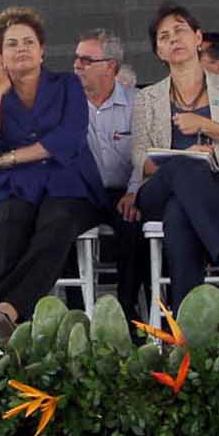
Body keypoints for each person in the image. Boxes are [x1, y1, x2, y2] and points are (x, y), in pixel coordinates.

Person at [125, 3, 219, 308]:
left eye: (180, 31)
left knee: (180, 214)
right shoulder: (147, 98)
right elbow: (141, 160)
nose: (173, 40)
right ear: (159, 52)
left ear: (198, 38)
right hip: (160, 187)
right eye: (164, 37)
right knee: (183, 168)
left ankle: (186, 333)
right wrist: (183, 157)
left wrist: (206, 125)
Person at [0, 7, 107, 325]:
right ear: (1, 56)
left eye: (28, 42)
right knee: (7, 224)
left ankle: (4, 314)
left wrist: (13, 157)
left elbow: (68, 138)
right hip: (14, 188)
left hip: (69, 184)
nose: (21, 49)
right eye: (12, 44)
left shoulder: (67, 86)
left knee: (57, 223)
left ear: (42, 50)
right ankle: (2, 327)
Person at [72, 28, 145, 312]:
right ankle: (77, 314)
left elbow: (146, 154)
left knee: (133, 223)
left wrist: (134, 191)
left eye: (86, 60)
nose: (78, 65)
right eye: (76, 59)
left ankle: (126, 311)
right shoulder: (68, 104)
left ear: (110, 67)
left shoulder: (138, 102)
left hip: (123, 190)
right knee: (57, 222)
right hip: (82, 191)